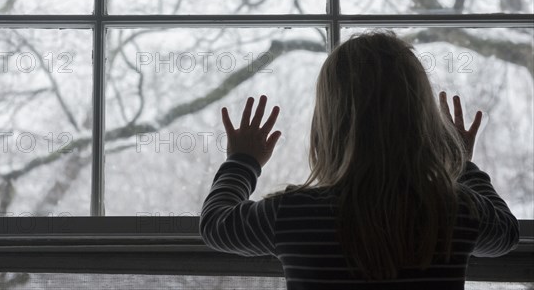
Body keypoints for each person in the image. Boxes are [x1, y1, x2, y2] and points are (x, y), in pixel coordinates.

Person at [199, 30, 520, 289]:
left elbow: (216, 226)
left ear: (328, 124)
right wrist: (461, 160)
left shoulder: (292, 213)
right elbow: (506, 235)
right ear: (422, 123)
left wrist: (243, 160)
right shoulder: (453, 210)